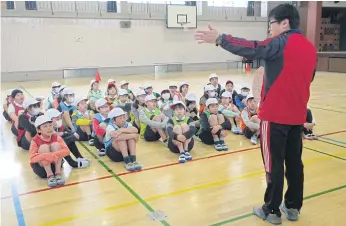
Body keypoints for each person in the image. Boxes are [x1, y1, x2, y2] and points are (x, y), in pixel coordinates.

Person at [195, 3, 317, 224]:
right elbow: (309, 78)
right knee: (295, 163)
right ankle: (292, 207)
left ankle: (271, 210)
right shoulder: (310, 47)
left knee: (274, 164)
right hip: (297, 116)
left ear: (284, 23)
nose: (269, 29)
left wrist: (221, 38)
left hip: (274, 117)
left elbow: (252, 47)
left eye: (271, 24)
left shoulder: (280, 42)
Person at [29, 115, 70, 187]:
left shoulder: (56, 136)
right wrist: (47, 155)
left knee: (55, 145)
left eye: (50, 125)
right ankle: (50, 175)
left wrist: (54, 154)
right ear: (39, 130)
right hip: (42, 170)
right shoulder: (35, 140)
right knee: (44, 147)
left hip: (55, 165)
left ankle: (58, 173)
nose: (49, 128)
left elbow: (67, 151)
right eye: (45, 126)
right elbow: (32, 158)